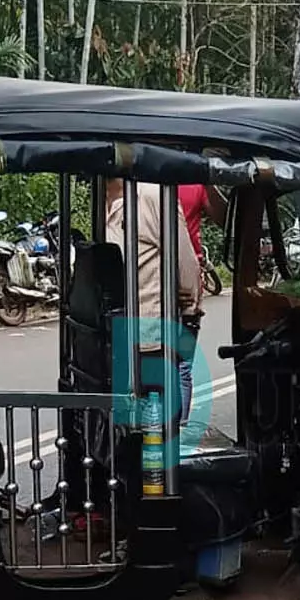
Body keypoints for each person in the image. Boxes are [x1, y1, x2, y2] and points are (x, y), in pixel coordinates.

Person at [103, 178, 202, 428]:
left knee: (156, 426)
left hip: (151, 334)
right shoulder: (101, 202)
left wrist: (189, 311)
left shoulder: (152, 196)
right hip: (112, 336)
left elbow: (185, 263)